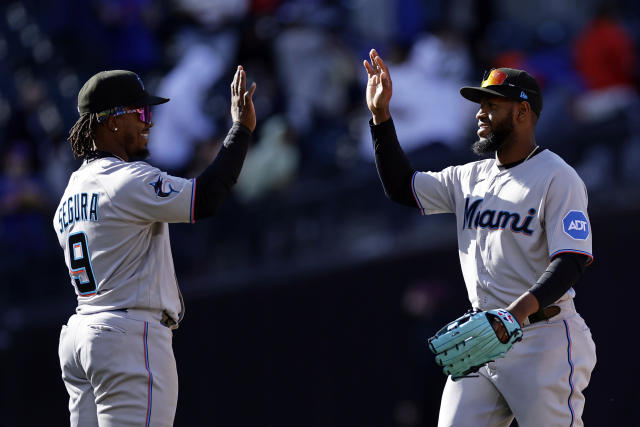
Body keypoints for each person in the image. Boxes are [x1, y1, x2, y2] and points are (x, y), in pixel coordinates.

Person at [363, 49, 596, 426]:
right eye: (480, 104)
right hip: (483, 338)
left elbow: (571, 262)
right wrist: (380, 118)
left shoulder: (558, 176)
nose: (479, 113)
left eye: (492, 104)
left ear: (522, 112)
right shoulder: (468, 177)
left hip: (543, 338)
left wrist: (513, 315)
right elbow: (402, 188)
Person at [54, 66, 256, 426]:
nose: (149, 122)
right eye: (141, 113)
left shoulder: (69, 194)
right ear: (113, 122)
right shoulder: (126, 180)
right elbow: (205, 199)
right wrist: (240, 131)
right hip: (127, 336)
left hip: (81, 337)